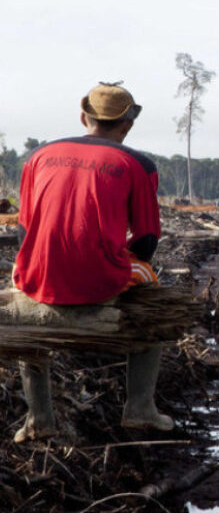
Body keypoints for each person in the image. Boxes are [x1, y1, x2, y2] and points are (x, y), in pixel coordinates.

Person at [12, 81, 173, 442]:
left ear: (83, 116)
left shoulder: (38, 156)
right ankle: (140, 410)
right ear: (127, 125)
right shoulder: (137, 164)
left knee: (21, 296)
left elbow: (23, 233)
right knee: (156, 297)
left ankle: (39, 418)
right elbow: (147, 240)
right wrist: (105, 272)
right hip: (101, 282)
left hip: (36, 278)